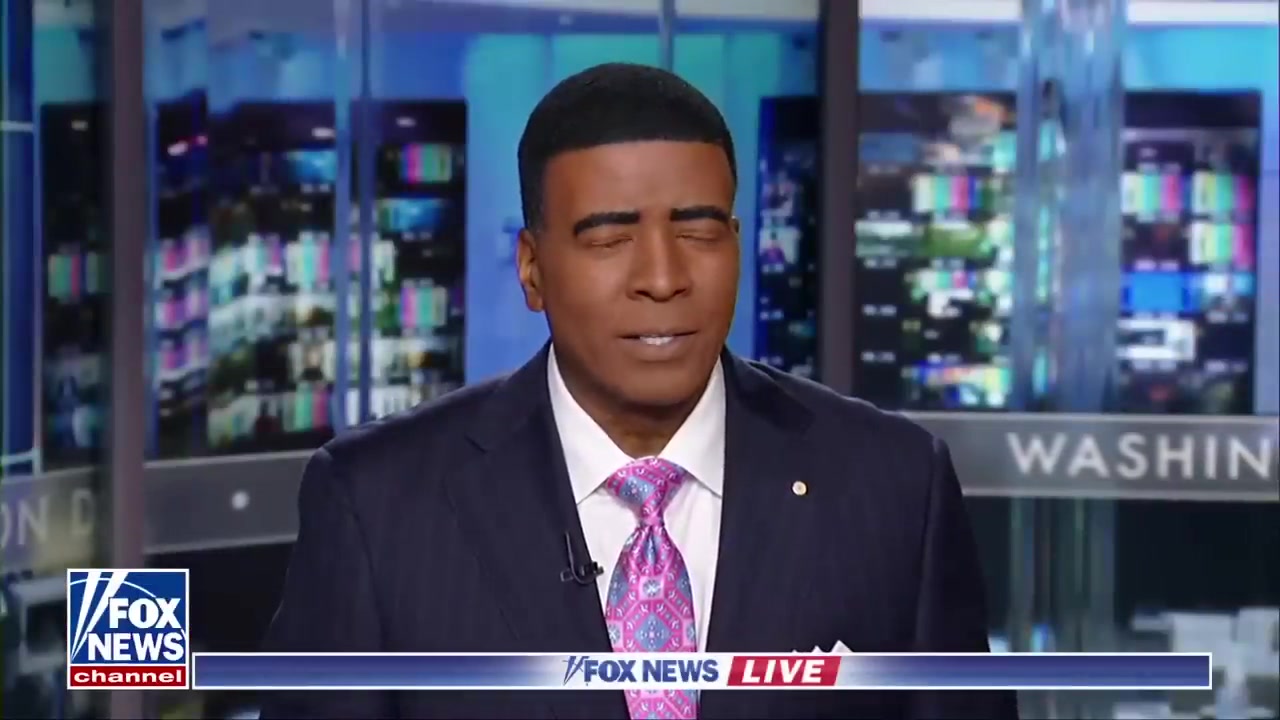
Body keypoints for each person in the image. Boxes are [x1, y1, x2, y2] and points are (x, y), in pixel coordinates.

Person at [262, 63, 1017, 720]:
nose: (661, 278)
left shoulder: (893, 488)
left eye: (698, 232)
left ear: (738, 245)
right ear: (532, 267)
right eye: (609, 238)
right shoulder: (378, 507)